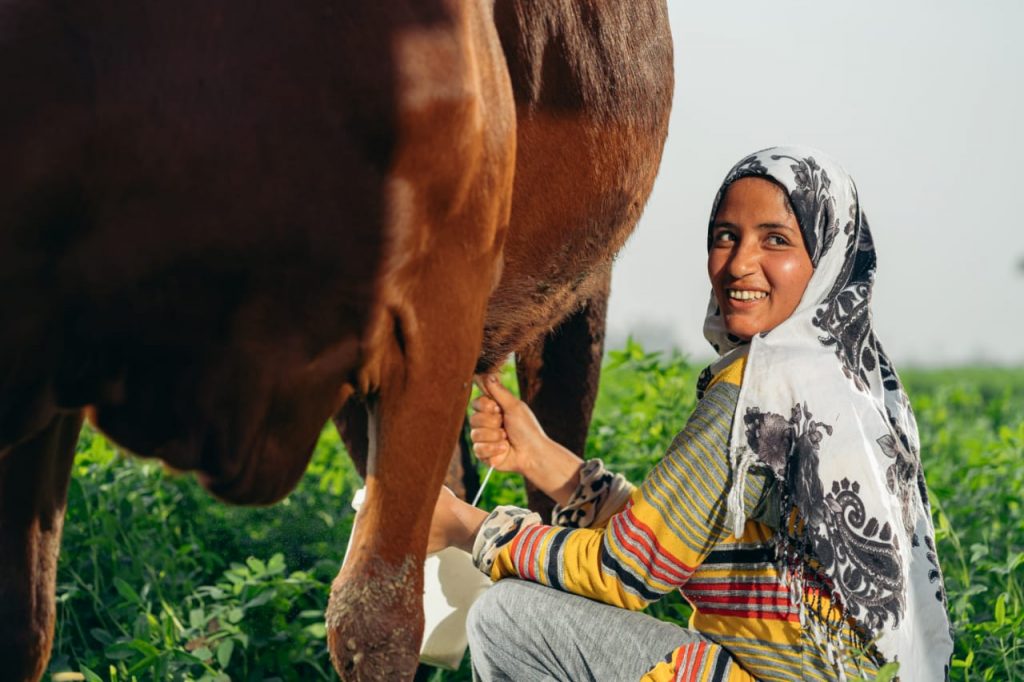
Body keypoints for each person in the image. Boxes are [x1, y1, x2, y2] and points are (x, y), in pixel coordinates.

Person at [429, 146, 954, 681]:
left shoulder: (758, 392)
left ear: (826, 261)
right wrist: (544, 461)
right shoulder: (853, 382)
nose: (740, 263)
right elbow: (683, 538)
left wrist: (468, 527)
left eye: (776, 240)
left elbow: (627, 571)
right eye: (726, 236)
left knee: (507, 615)